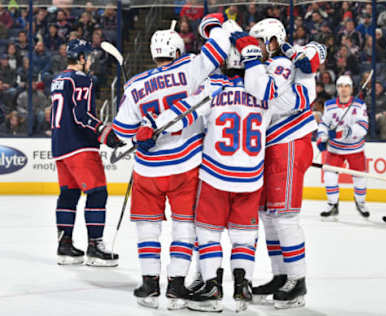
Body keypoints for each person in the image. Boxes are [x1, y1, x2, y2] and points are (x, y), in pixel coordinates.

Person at [147, 20, 314, 312]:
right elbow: (293, 97)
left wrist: (154, 127)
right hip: (252, 173)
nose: (258, 48)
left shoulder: (227, 82)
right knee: (254, 229)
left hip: (226, 170)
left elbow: (185, 112)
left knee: (214, 230)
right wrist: (306, 78)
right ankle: (247, 287)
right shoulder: (266, 81)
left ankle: (221, 285)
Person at [112, 17, 230, 309]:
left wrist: (143, 133)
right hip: (185, 166)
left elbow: (122, 132)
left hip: (147, 171)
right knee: (184, 227)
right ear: (177, 50)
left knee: (148, 229)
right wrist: (216, 25)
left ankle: (149, 285)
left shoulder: (135, 84)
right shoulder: (190, 65)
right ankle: (176, 287)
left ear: (153, 53)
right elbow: (219, 51)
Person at [246, 18, 321, 308]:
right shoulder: (265, 64)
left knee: (285, 216)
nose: (257, 47)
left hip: (288, 143)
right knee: (269, 215)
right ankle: (281, 276)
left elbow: (301, 96)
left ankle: (297, 281)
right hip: (272, 146)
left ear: (275, 40)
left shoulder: (287, 63)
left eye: (261, 41)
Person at [50, 39, 124, 266]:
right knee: (97, 193)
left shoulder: (57, 79)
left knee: (69, 195)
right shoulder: (82, 79)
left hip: (60, 147)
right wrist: (103, 131)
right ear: (81, 58)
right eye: (88, 57)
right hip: (80, 146)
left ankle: (64, 246)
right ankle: (94, 247)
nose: (90, 61)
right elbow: (82, 116)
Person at [317, 75, 369, 220]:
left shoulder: (359, 105)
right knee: (329, 176)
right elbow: (324, 124)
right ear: (337, 88)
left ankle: (361, 203)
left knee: (360, 178)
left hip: (355, 149)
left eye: (346, 86)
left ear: (351, 89)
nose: (343, 89)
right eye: (340, 86)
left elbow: (363, 128)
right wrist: (322, 136)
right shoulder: (329, 105)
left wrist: (341, 132)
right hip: (335, 150)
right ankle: (332, 204)